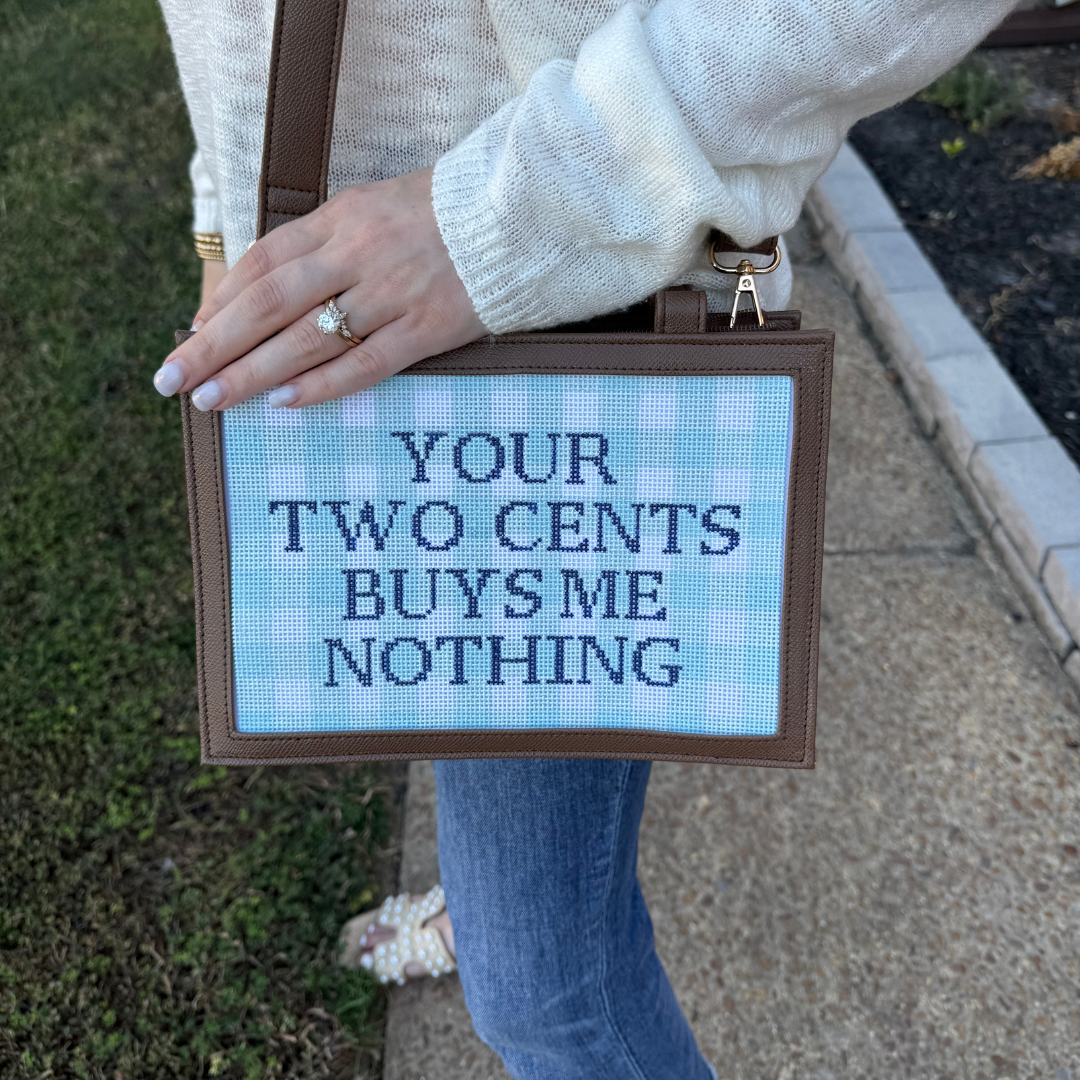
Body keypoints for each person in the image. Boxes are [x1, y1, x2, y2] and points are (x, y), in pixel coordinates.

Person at [154, 0, 1017, 1074]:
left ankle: (505, 913)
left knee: (547, 990)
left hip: (559, 315)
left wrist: (492, 223)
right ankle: (492, 898)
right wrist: (224, 230)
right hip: (357, 322)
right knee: (464, 692)